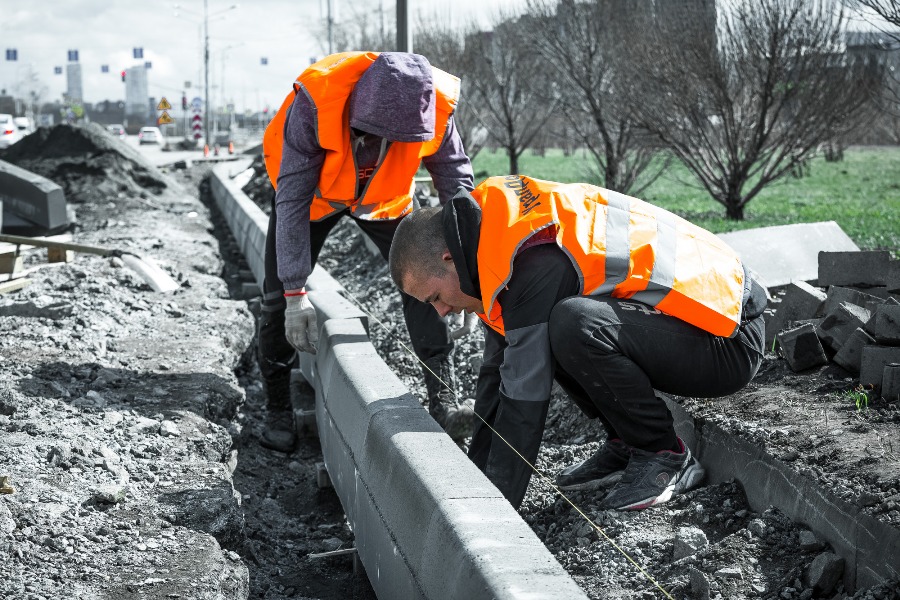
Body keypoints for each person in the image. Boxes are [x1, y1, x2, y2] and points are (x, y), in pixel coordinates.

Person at [388, 175, 767, 510]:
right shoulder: (489, 245)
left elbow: (525, 398)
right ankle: (627, 442)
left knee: (572, 325)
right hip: (687, 325)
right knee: (559, 328)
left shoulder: (530, 260)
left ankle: (663, 453)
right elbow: (496, 378)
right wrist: (475, 480)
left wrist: (492, 511)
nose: (440, 313)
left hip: (728, 338)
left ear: (449, 259)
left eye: (434, 298)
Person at [258, 51, 476, 452]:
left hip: (383, 201)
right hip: (313, 199)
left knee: (429, 279)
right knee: (275, 302)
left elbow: (457, 187)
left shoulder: (435, 107)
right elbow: (290, 199)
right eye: (371, 136)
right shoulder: (316, 103)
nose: (379, 146)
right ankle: (276, 409)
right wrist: (293, 293)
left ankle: (444, 402)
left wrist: (470, 275)